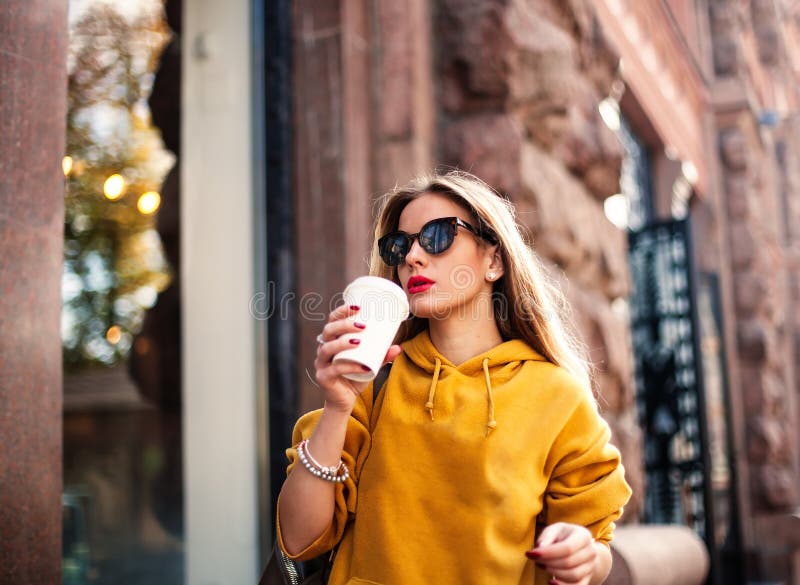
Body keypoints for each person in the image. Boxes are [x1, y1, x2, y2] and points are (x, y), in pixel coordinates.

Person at [277, 171, 632, 585]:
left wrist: (583, 555)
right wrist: (338, 407)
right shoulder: (373, 386)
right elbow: (299, 540)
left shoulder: (556, 396)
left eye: (438, 236)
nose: (412, 257)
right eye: (399, 245)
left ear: (494, 261)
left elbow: (596, 546)